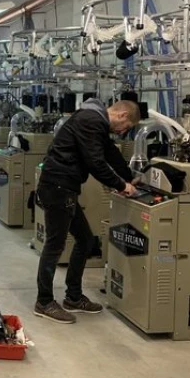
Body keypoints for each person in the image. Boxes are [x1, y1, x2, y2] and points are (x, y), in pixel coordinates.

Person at [34, 98, 140, 324]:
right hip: (58, 186)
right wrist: (121, 185)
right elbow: (95, 163)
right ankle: (44, 301)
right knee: (55, 245)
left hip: (64, 186)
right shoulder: (92, 120)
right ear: (122, 115)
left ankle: (73, 297)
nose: (123, 132)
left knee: (85, 240)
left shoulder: (96, 120)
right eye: (126, 127)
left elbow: (110, 153)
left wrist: (130, 178)